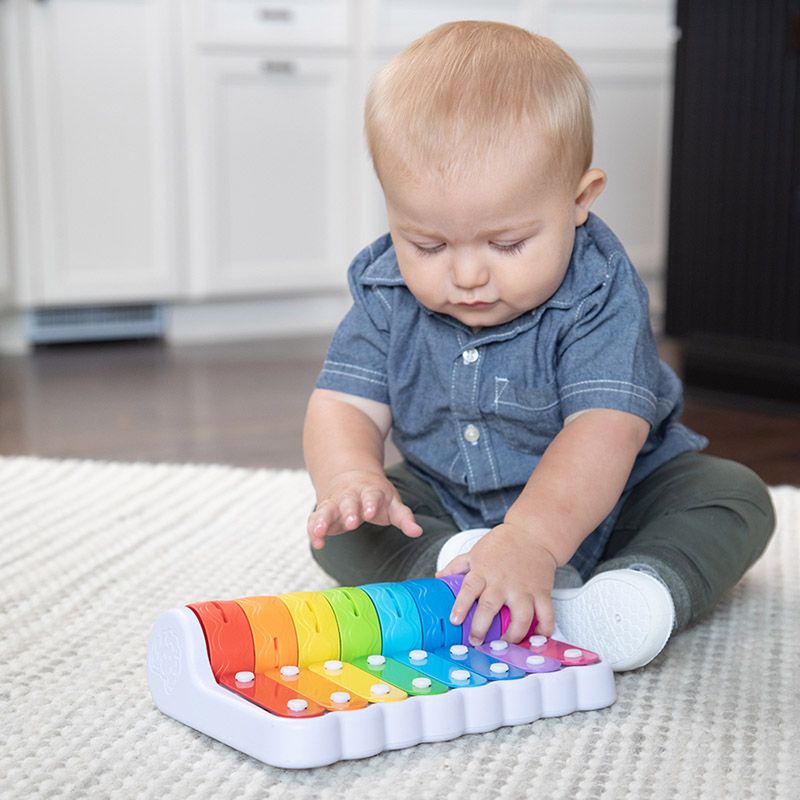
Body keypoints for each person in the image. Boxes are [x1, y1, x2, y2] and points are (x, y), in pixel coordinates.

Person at [302, 21, 775, 671]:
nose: (467, 275)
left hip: (623, 495)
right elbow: (344, 405)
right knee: (343, 526)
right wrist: (350, 476)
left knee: (734, 496)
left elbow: (603, 431)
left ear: (579, 201)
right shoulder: (386, 289)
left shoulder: (599, 292)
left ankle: (636, 592)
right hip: (452, 495)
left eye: (506, 244)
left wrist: (530, 538)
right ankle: (459, 568)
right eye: (428, 244)